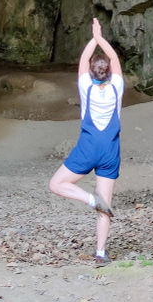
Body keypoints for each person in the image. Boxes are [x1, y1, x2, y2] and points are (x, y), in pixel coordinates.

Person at [48, 16, 124, 266]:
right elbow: (113, 59)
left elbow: (82, 61)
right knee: (107, 205)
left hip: (88, 148)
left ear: (91, 72)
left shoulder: (85, 86)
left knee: (57, 184)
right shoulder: (118, 87)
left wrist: (94, 37)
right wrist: (102, 38)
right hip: (110, 150)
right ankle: (101, 253)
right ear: (110, 72)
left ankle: (89, 200)